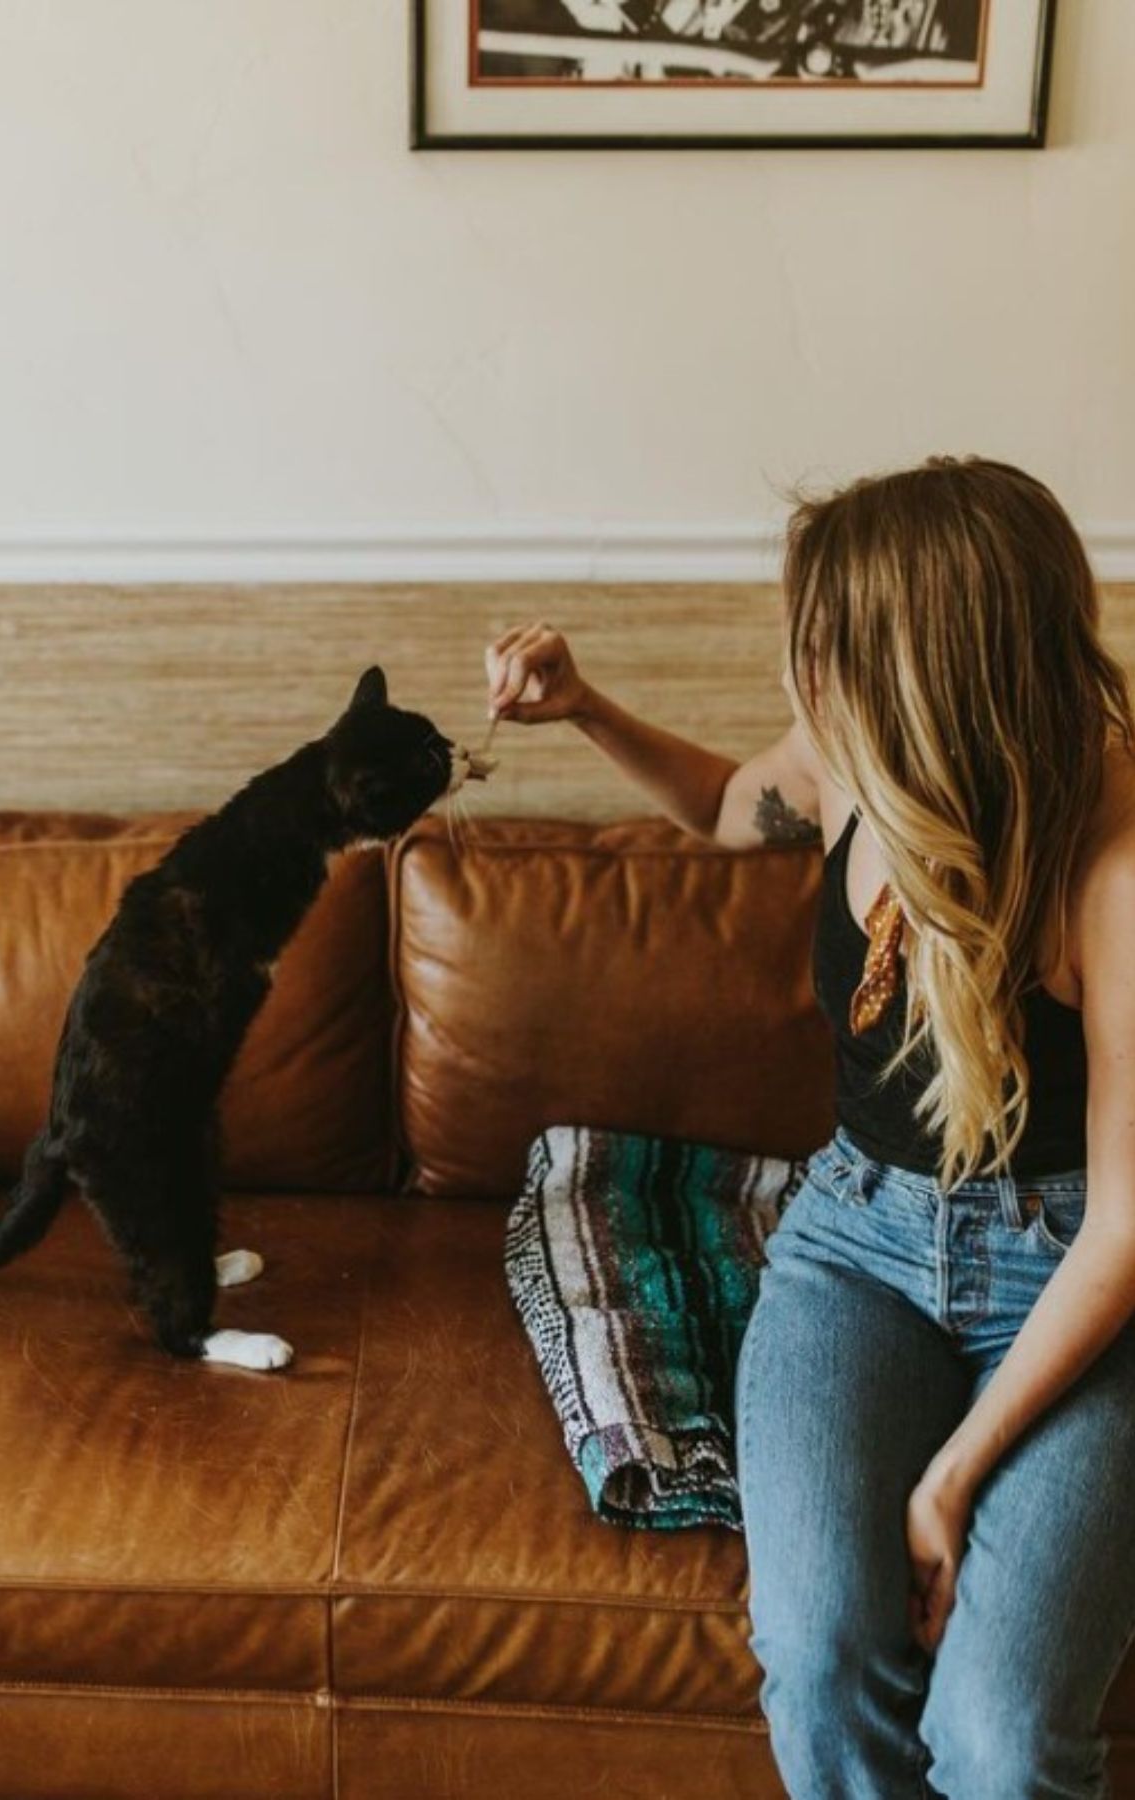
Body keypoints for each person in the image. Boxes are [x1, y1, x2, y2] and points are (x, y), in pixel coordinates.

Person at [483, 454, 1135, 1799]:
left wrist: (950, 1480)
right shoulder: (853, 762)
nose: (804, 671)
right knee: (825, 1653)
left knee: (1004, 1746)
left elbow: (1129, 1227)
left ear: (930, 662)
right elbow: (732, 808)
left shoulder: (1116, 846)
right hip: (859, 1246)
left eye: (829, 640)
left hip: (1078, 1274)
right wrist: (588, 709)